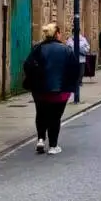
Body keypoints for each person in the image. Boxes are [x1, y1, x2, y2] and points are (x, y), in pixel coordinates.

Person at [23, 23, 79, 155]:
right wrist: (70, 85)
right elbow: (74, 69)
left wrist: (34, 81)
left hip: (40, 90)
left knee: (41, 114)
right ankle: (53, 146)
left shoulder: (37, 49)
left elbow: (27, 65)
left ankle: (41, 139)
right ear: (57, 34)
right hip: (60, 90)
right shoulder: (66, 50)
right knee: (55, 117)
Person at [66, 29, 91, 103]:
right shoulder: (70, 40)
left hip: (81, 58)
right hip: (73, 59)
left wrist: (80, 50)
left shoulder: (83, 39)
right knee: (74, 71)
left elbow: (87, 47)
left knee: (81, 72)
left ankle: (79, 81)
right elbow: (68, 48)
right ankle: (75, 83)